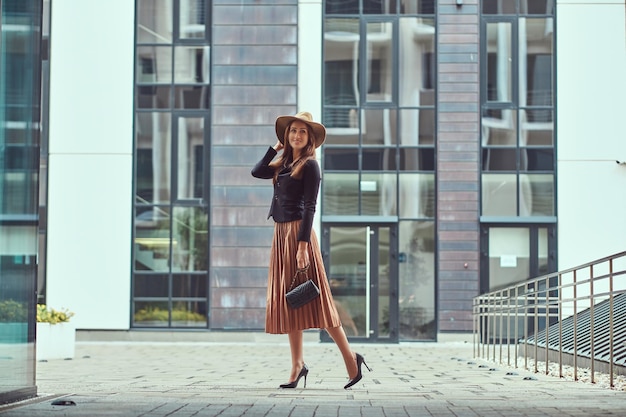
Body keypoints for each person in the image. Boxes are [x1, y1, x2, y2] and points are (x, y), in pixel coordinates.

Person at [251, 111, 371, 390]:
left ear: (310, 139)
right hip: (280, 235)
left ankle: (351, 358)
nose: (296, 135)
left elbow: (310, 207)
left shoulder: (310, 166)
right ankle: (297, 365)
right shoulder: (282, 164)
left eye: (302, 132)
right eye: (292, 130)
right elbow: (257, 171)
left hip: (298, 235)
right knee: (291, 301)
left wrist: (303, 245)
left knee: (319, 302)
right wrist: (275, 147)